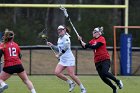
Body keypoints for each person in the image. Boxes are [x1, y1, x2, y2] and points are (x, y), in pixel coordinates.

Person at [78, 27, 123, 93]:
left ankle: (117, 81)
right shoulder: (92, 40)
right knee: (103, 77)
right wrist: (80, 40)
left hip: (105, 59)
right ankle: (114, 88)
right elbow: (84, 47)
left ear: (99, 33)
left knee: (105, 72)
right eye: (93, 31)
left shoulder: (102, 38)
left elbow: (95, 46)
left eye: (95, 31)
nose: (93, 32)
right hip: (97, 61)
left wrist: (86, 45)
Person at [47, 25, 86, 93]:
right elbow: (58, 49)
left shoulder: (66, 37)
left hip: (69, 59)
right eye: (58, 30)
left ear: (64, 30)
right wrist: (52, 45)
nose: (59, 31)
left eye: (61, 30)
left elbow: (66, 47)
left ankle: (83, 88)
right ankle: (71, 83)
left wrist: (59, 55)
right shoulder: (59, 39)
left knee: (71, 75)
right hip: (63, 59)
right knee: (57, 73)